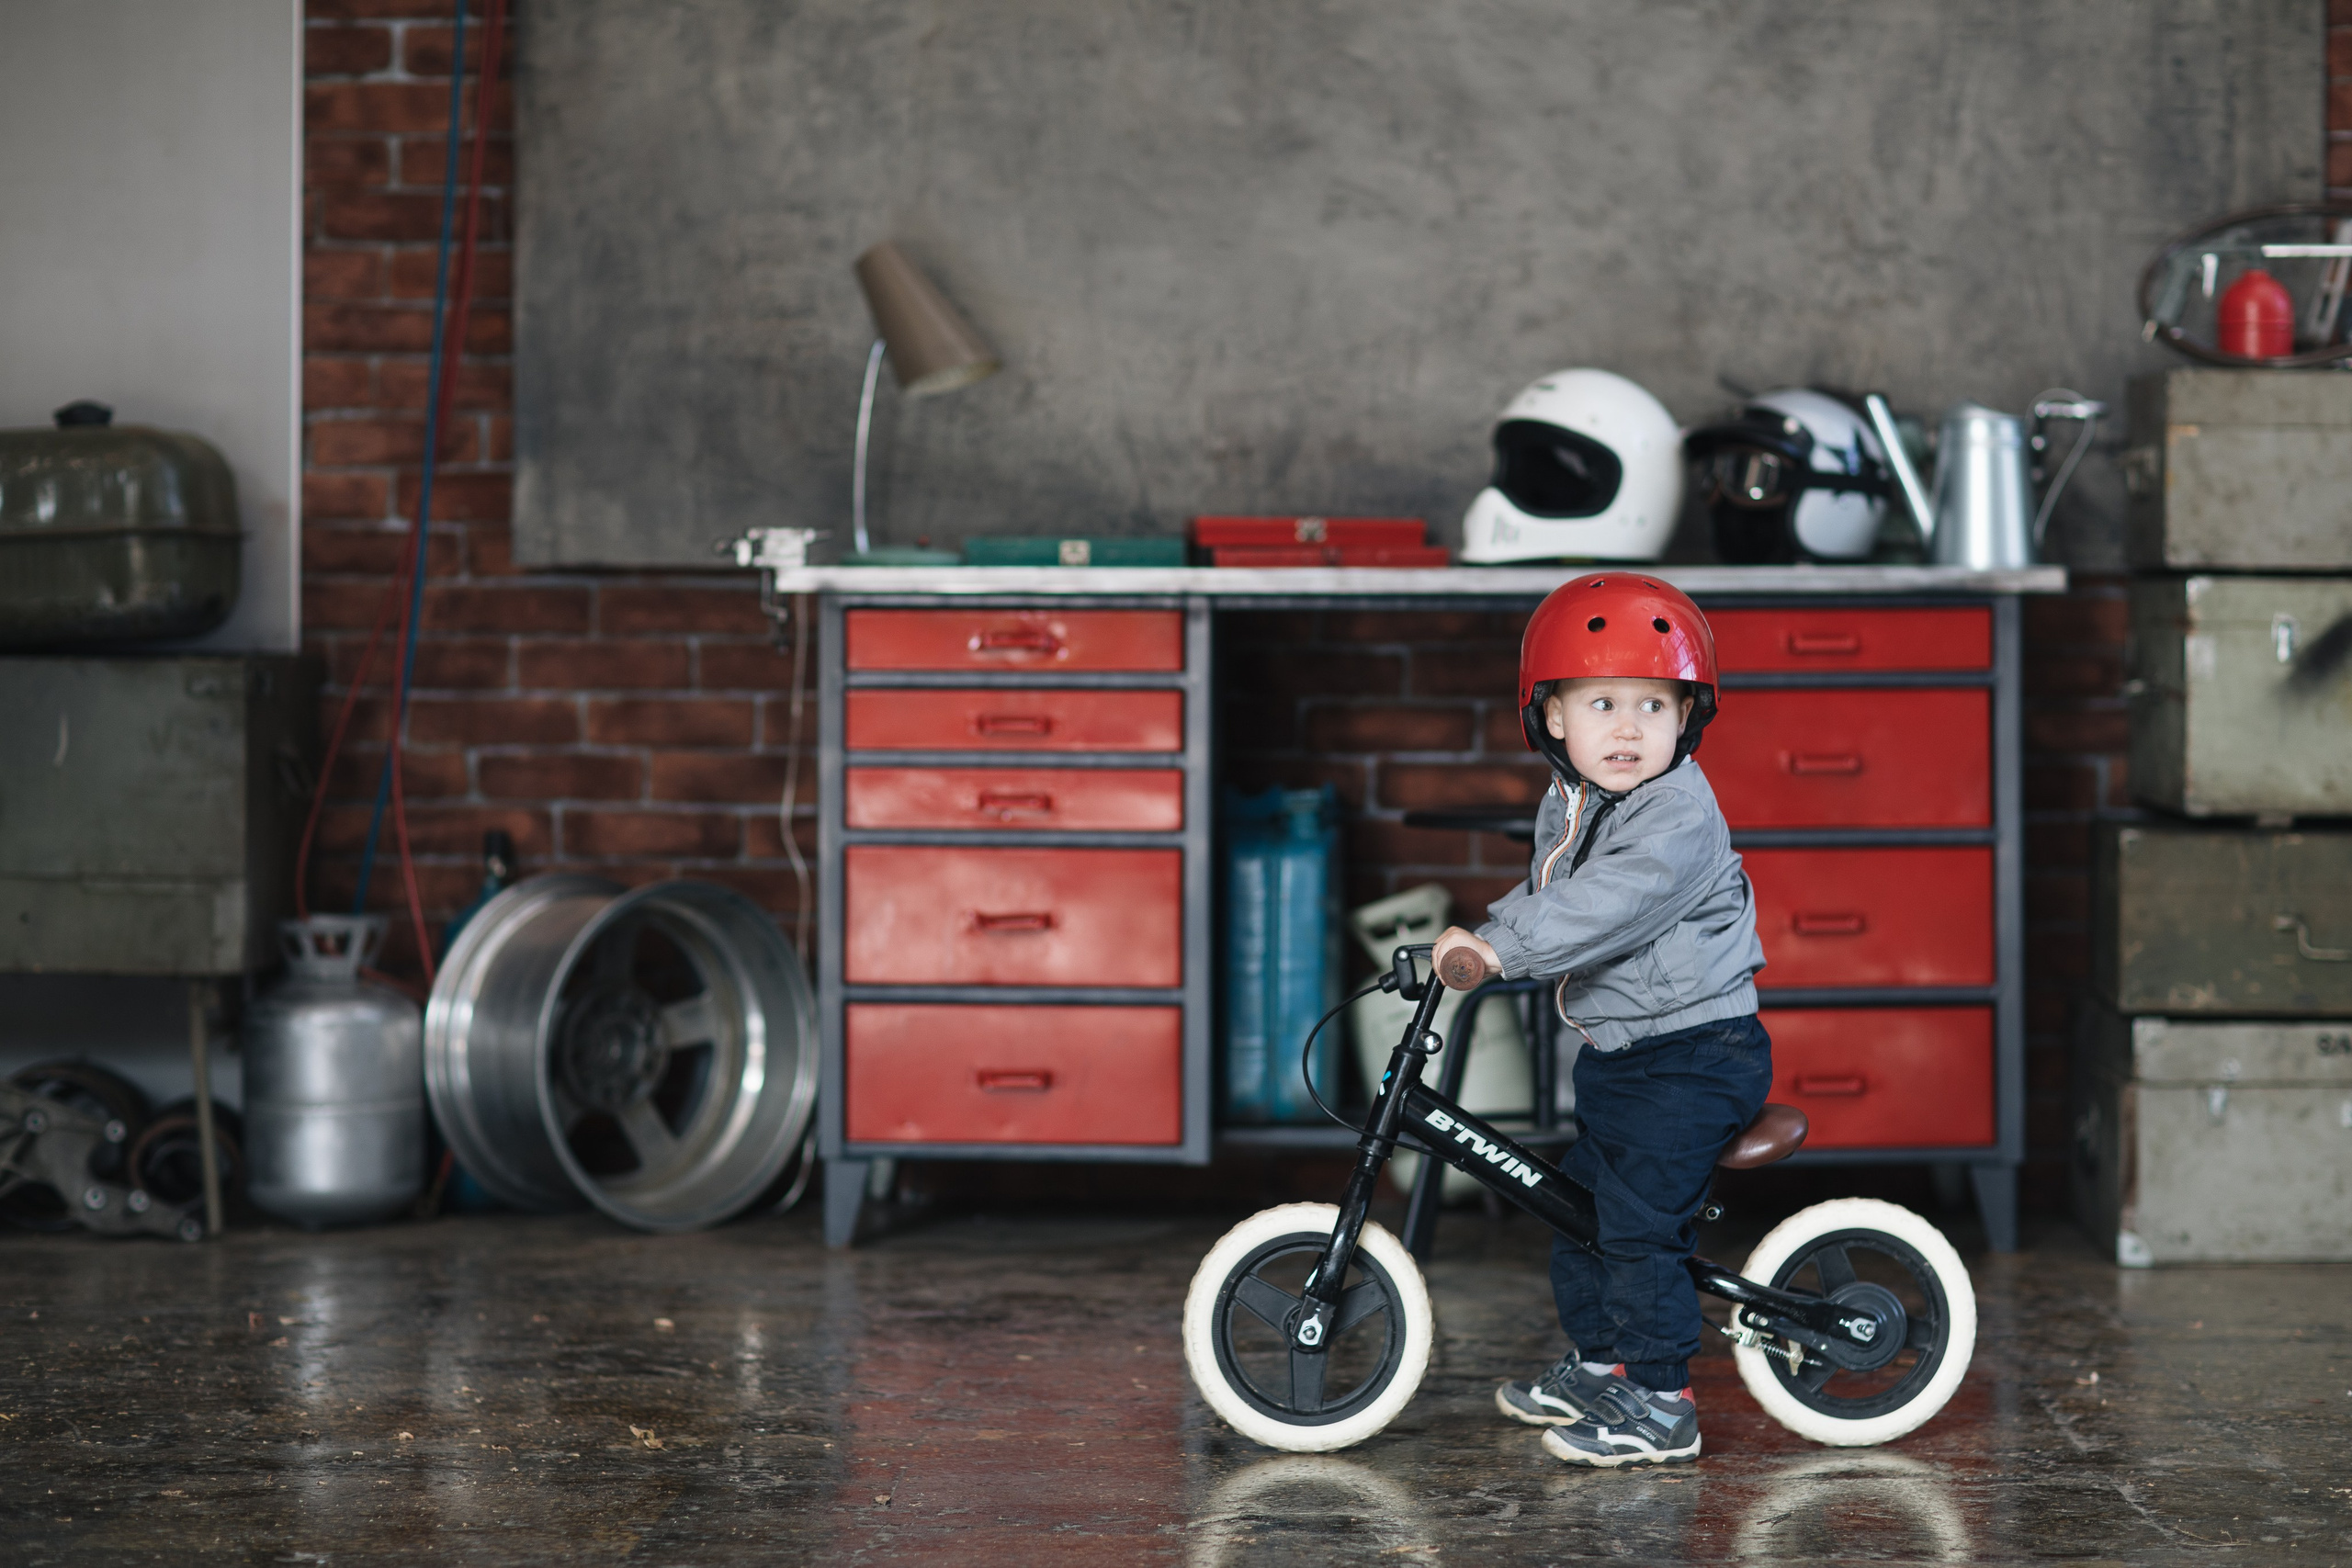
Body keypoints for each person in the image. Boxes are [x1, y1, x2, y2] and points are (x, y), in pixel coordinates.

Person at [1431, 573, 1769, 1469]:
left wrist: (1505, 952)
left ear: (1685, 718)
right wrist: (1478, 936)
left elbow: (1603, 906)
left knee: (1632, 1226)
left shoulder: (1674, 818)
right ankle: (1601, 1363)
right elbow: (1555, 895)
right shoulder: (1579, 801)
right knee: (1575, 1212)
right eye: (1602, 703)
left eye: (1652, 706)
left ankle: (1662, 1401)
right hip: (1629, 1056)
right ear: (1551, 719)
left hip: (1697, 1057)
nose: (1627, 727)